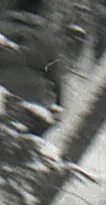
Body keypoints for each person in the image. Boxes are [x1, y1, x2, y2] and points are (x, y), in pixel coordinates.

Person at [0, 0, 62, 135]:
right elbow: (55, 76)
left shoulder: (2, 29)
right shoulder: (47, 38)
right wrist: (59, 103)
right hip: (32, 103)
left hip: (3, 96)